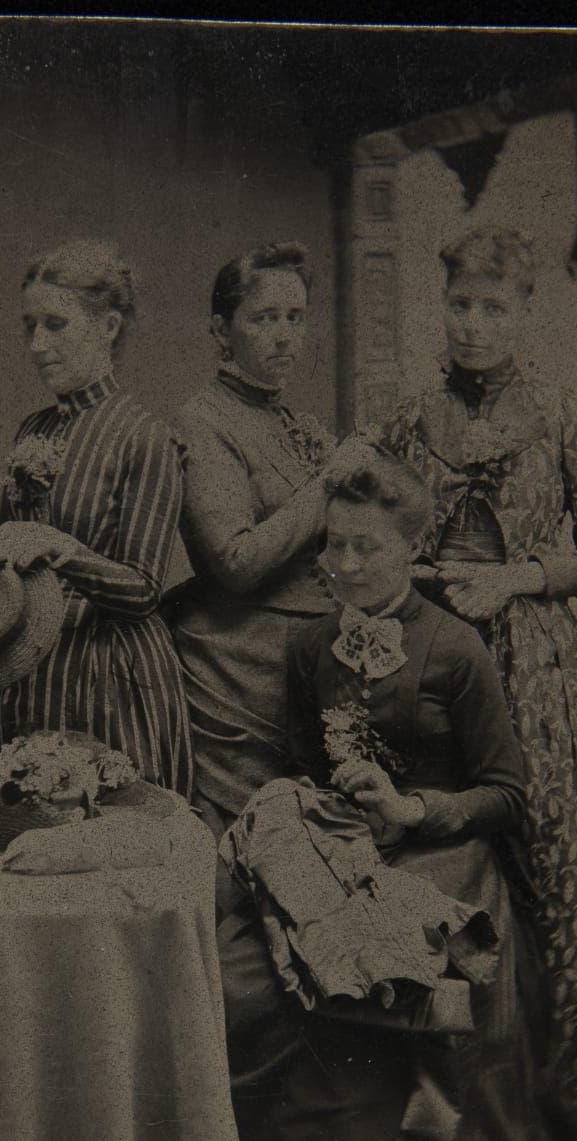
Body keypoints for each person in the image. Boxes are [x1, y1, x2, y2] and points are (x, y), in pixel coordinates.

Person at [223, 448, 577, 1141]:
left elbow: (507, 791)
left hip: (447, 864)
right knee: (288, 1025)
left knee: (403, 1048)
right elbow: (299, 761)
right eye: (333, 547)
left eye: (365, 551)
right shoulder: (310, 643)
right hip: (348, 862)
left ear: (411, 551)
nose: (341, 567)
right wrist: (326, 812)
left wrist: (415, 809)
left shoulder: (455, 647)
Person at [375, 226, 577, 1137]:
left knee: (547, 862)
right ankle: (458, 1096)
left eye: (492, 307)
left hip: (536, 671)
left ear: (525, 313)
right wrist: (425, 582)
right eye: (459, 305)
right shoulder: (408, 418)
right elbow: (381, 536)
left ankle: (561, 1096)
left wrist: (517, 578)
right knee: (443, 863)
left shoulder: (560, 413)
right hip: (435, 663)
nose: (472, 324)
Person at [0, 238, 192, 797]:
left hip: (112, 679)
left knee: (109, 849)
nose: (37, 344)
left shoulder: (145, 435)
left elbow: (143, 589)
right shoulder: (31, 431)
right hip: (29, 678)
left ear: (109, 326)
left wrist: (59, 546)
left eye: (56, 325)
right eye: (29, 326)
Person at [168, 242, 337, 841]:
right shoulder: (203, 420)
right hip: (239, 669)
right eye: (264, 319)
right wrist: (328, 486)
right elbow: (234, 564)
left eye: (295, 318)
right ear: (222, 330)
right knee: (254, 855)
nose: (285, 336)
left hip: (311, 659)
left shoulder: (296, 424)